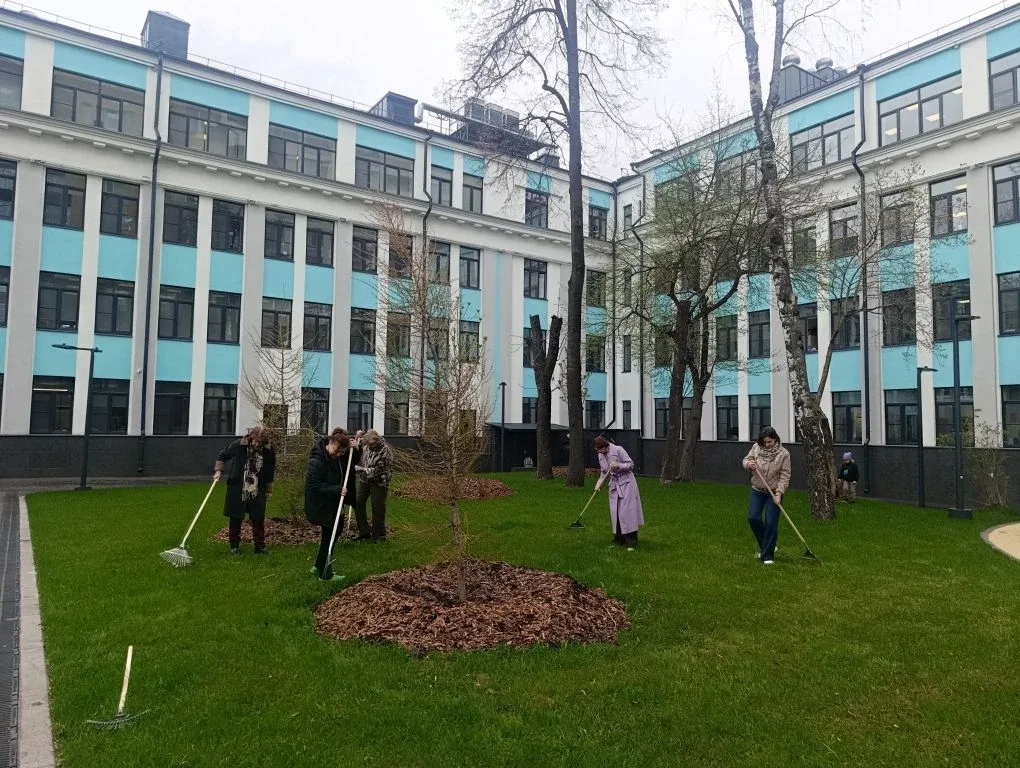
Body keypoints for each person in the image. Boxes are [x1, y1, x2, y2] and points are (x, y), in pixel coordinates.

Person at [304, 428, 360, 581]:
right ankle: (325, 573)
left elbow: (351, 463)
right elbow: (314, 485)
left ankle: (318, 565)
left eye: (342, 453)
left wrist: (355, 449)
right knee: (331, 534)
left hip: (332, 502)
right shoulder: (317, 460)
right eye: (337, 451)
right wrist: (336, 489)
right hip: (322, 504)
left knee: (330, 535)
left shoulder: (336, 457)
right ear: (331, 443)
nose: (339, 455)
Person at [214, 426, 276, 555]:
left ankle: (259, 546)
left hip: (258, 487)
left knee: (258, 517)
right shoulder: (239, 445)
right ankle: (234, 545)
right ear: (251, 437)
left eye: (260, 442)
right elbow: (223, 455)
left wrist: (269, 490)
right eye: (255, 441)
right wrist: (218, 471)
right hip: (238, 486)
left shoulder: (268, 450)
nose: (256, 444)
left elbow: (270, 471)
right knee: (236, 516)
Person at [741, 426, 792, 565]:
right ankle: (768, 544)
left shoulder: (784, 454)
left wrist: (779, 494)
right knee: (753, 518)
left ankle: (767, 556)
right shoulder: (756, 448)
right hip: (757, 490)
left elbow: (785, 475)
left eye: (770, 441)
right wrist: (748, 464)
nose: (767, 444)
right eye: (764, 442)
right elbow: (746, 459)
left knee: (770, 522)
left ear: (775, 439)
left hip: (774, 492)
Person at [594, 436, 644, 550]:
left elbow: (630, 464)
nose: (597, 452)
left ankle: (631, 541)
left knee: (627, 513)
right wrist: (599, 484)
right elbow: (604, 472)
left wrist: (618, 465)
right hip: (614, 485)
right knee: (616, 512)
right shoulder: (600, 455)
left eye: (598, 449)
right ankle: (619, 540)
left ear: (604, 446)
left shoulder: (618, 450)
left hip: (626, 484)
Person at [354, 429, 393, 542]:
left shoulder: (385, 450)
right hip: (364, 480)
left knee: (377, 507)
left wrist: (361, 469)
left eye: (371, 445)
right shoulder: (367, 445)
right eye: (367, 445)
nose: (369, 447)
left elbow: (379, 469)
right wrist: (357, 438)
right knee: (358, 503)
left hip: (379, 482)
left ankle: (379, 535)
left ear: (376, 440)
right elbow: (359, 447)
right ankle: (364, 532)